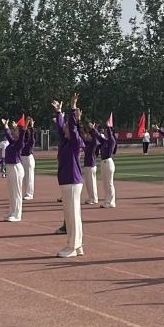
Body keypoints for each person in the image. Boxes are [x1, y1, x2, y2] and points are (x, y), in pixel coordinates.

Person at [53, 95, 86, 257]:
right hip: (67, 181)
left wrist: (73, 107)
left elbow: (72, 128)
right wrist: (59, 112)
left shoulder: (75, 142)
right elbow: (61, 129)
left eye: (67, 126)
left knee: (72, 215)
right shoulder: (66, 142)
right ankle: (77, 245)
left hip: (72, 181)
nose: (64, 127)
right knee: (72, 214)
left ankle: (72, 246)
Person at [1, 118, 26, 222]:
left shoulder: (20, 143)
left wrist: (23, 127)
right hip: (10, 167)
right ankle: (12, 211)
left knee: (16, 192)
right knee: (11, 192)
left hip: (16, 168)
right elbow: (8, 135)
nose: (13, 131)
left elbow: (22, 133)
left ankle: (17, 214)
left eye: (15, 130)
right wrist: (6, 126)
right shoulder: (12, 142)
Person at [97, 123, 117, 208]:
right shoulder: (104, 141)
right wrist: (93, 129)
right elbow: (98, 136)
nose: (105, 132)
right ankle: (107, 201)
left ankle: (111, 202)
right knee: (105, 184)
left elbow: (110, 134)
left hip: (108, 162)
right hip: (103, 162)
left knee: (109, 183)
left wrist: (108, 126)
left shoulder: (111, 141)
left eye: (106, 131)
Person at [81, 122, 100, 205]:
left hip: (91, 165)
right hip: (87, 165)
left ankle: (94, 198)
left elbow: (96, 137)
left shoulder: (93, 144)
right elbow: (82, 137)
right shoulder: (87, 143)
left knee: (92, 183)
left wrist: (93, 129)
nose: (87, 136)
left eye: (89, 135)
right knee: (88, 183)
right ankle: (90, 197)